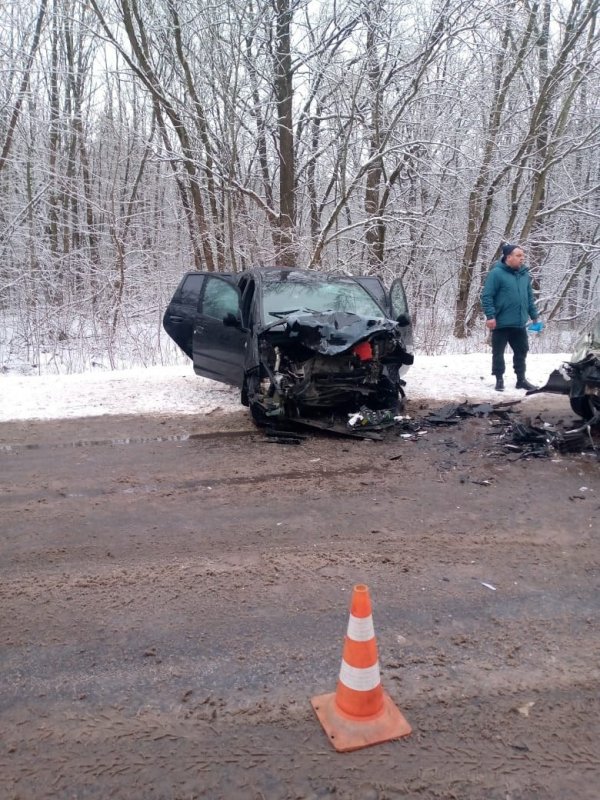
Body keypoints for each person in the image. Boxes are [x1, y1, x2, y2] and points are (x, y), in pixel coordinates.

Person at [480, 243, 541, 392]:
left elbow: (529, 297)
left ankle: (521, 380)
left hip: (519, 323)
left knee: (521, 351)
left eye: (523, 256)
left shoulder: (524, 275)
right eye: (519, 256)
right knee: (498, 352)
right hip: (501, 322)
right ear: (508, 257)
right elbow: (487, 296)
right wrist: (490, 316)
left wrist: (534, 316)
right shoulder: (496, 273)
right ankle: (499, 379)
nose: (522, 259)